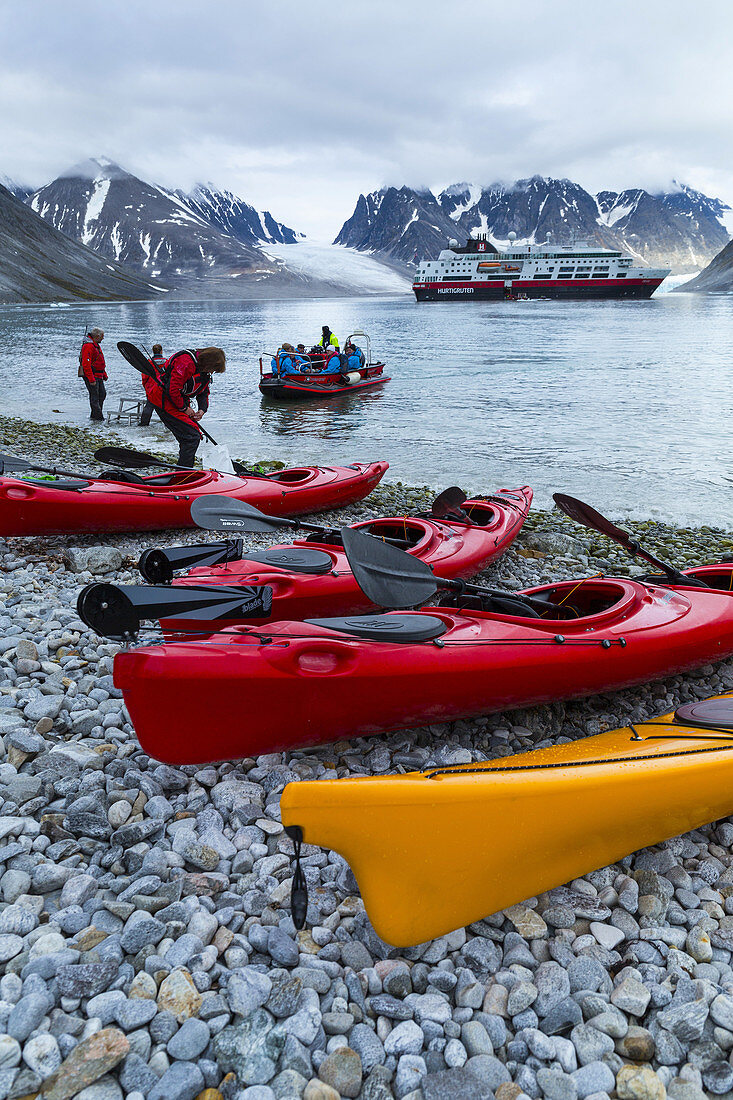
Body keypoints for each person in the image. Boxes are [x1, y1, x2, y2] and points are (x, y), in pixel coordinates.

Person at [142, 347, 226, 468]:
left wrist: (202, 410)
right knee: (192, 437)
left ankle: (184, 469)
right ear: (208, 362)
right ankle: (184, 472)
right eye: (213, 369)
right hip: (163, 399)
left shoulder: (204, 370)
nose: (212, 372)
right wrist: (184, 409)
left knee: (189, 437)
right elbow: (173, 389)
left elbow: (203, 391)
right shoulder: (186, 362)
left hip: (177, 401)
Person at [80, 327, 107, 421]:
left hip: (98, 375)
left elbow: (99, 360)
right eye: (102, 336)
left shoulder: (95, 345)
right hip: (92, 375)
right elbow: (86, 364)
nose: (103, 338)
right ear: (97, 336)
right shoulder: (88, 346)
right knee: (95, 397)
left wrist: (104, 374)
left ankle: (94, 417)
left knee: (102, 394)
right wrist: (91, 379)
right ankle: (99, 418)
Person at [140, 343, 165, 426]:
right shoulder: (167, 362)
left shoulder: (149, 362)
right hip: (162, 387)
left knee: (149, 406)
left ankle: (144, 424)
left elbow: (144, 377)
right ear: (161, 351)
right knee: (165, 407)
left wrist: (146, 386)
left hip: (151, 387)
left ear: (153, 351)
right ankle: (167, 424)